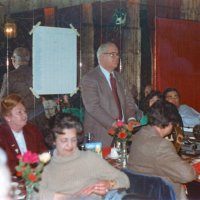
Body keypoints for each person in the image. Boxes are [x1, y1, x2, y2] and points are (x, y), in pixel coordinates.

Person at [39, 112, 130, 200]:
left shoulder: (89, 158)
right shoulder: (47, 168)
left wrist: (109, 184)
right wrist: (73, 197)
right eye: (64, 140)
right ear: (53, 141)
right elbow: (35, 194)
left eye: (73, 140)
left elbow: (124, 180)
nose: (70, 145)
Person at [127, 100, 197, 200]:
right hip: (162, 195)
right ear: (169, 123)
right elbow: (188, 175)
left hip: (140, 192)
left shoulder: (138, 135)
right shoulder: (161, 145)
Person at [81, 42, 139, 147]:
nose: (116, 57)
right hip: (101, 134)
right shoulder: (90, 79)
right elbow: (93, 107)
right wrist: (114, 124)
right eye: (112, 54)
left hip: (123, 134)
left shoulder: (119, 77)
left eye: (117, 54)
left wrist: (131, 119)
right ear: (101, 56)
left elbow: (129, 101)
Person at [0, 47, 47, 131]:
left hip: (21, 120)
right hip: (40, 119)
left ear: (14, 59)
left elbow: (2, 100)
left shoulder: (10, 76)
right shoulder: (39, 74)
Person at [0, 94, 48, 174]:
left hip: (37, 177)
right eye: (19, 112)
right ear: (8, 117)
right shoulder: (2, 136)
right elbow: (3, 165)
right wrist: (25, 171)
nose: (25, 115)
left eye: (25, 111)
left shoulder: (33, 130)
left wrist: (39, 166)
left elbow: (44, 154)